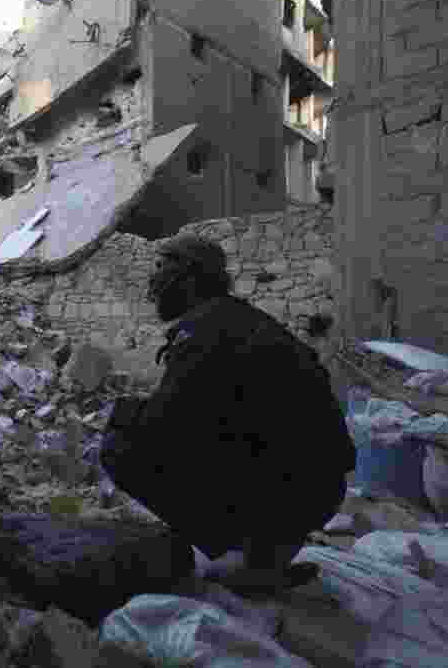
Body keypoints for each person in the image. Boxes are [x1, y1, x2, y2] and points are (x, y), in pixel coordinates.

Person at [101, 234, 355, 594]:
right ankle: (262, 556)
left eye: (161, 269)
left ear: (186, 279)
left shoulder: (203, 333)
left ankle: (249, 558)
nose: (152, 282)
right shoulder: (234, 319)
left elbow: (163, 427)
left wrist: (124, 410)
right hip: (317, 489)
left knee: (120, 446)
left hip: (296, 494)